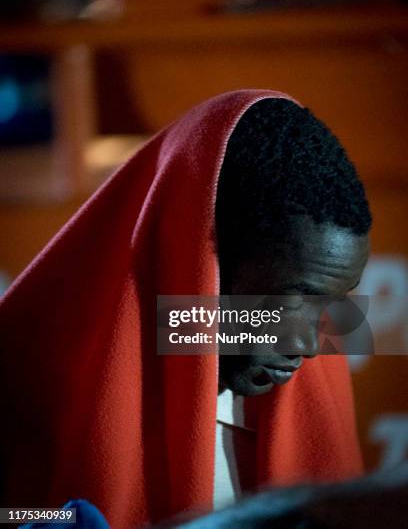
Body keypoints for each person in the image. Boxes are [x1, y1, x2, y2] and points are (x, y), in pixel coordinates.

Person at [0, 90, 370, 528]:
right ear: (199, 266)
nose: (310, 346)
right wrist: (38, 519)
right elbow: (10, 512)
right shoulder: (27, 371)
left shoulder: (315, 384)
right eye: (293, 301)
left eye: (332, 303)